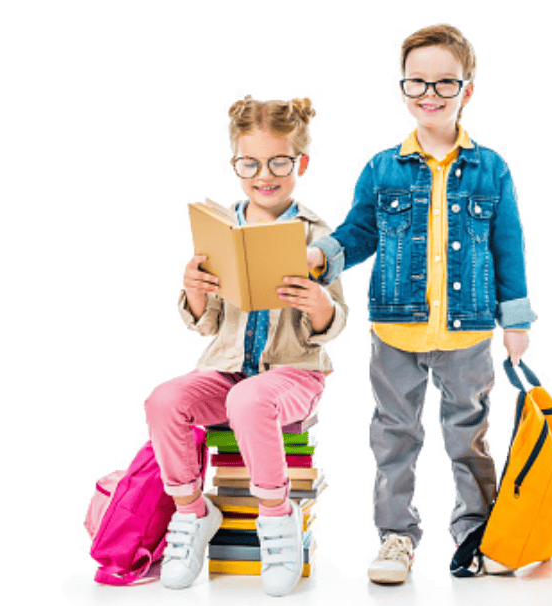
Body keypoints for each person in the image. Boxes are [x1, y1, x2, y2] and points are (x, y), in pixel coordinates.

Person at [307, 24, 537, 582]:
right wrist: (323, 256)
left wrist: (516, 320)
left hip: (467, 334)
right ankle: (394, 539)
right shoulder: (383, 168)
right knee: (394, 434)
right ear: (399, 87)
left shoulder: (490, 170)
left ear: (467, 88)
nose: (429, 95)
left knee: (469, 437)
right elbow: (360, 231)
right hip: (395, 330)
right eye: (416, 84)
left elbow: (507, 247)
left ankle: (475, 538)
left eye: (443, 83)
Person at [143, 97, 348, 597]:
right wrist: (193, 290)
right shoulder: (220, 229)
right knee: (163, 400)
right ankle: (193, 512)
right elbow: (207, 325)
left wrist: (317, 302)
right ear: (233, 163)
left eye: (279, 162)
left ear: (300, 164)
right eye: (249, 163)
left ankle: (278, 517)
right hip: (228, 367)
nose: (264, 175)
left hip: (294, 372)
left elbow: (333, 324)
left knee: (249, 400)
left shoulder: (320, 238)